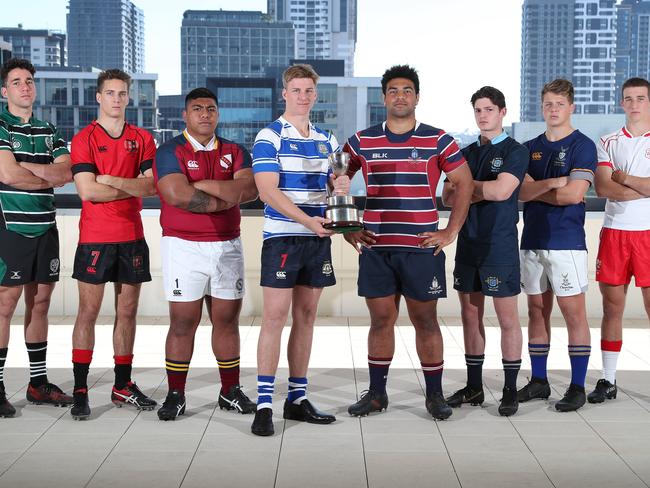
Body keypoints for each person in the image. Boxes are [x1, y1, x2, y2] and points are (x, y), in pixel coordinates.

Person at [344, 65, 473, 420]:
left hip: (420, 247)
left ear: (417, 97)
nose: (400, 96)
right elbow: (336, 176)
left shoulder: (438, 139)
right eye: (393, 91)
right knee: (381, 321)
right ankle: (376, 395)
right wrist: (346, 226)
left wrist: (450, 231)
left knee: (426, 321)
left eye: (407, 90)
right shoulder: (361, 140)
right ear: (384, 97)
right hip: (376, 246)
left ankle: (434, 396)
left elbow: (464, 183)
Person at [250, 64, 349, 436]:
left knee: (307, 317)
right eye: (296, 90)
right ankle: (263, 404)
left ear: (315, 94)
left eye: (309, 90)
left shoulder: (328, 139)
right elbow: (267, 191)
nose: (303, 96)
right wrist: (309, 222)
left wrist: (339, 186)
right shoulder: (269, 135)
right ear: (284, 93)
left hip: (317, 238)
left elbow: (334, 183)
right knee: (274, 317)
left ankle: (296, 399)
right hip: (283, 238)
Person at [154, 87, 258, 421]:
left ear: (218, 114)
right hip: (183, 246)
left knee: (227, 320)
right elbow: (176, 194)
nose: (204, 114)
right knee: (183, 322)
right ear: (185, 115)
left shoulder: (235, 150)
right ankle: (175, 395)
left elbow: (250, 189)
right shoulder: (170, 150)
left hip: (228, 244)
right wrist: (226, 195)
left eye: (211, 108)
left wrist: (200, 185)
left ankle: (229, 392)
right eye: (197, 108)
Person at [69, 69, 158, 420]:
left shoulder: (142, 138)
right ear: (98, 97)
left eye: (122, 93)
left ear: (128, 97)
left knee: (127, 313)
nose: (117, 99)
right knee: (88, 313)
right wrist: (129, 183)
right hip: (95, 237)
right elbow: (87, 190)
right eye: (110, 93)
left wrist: (110, 179)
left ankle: (122, 384)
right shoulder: (84, 139)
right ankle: (80, 390)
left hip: (132, 236)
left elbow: (152, 188)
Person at [443, 86, 528, 416]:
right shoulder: (464, 152)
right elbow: (448, 198)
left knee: (507, 319)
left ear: (502, 112)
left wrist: (467, 188)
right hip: (468, 244)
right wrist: (473, 190)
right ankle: (474, 387)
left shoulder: (514, 151)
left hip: (499, 245)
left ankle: (509, 390)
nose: (483, 115)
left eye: (489, 109)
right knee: (470, 316)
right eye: (478, 110)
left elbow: (502, 190)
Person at [0, 58, 73, 417]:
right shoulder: (0, 124)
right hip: (11, 228)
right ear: (5, 91)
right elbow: (8, 175)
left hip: (46, 227)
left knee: (40, 304)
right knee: (4, 307)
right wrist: (47, 175)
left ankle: (37, 383)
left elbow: (68, 171)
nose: (25, 87)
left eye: (29, 81)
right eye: (16, 82)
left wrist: (32, 170)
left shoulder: (49, 129)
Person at [517, 79, 595, 412]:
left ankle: (577, 387)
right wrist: (551, 186)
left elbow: (574, 194)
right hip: (532, 239)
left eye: (559, 104)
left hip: (566, 242)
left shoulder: (583, 145)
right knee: (536, 310)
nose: (553, 109)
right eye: (548, 104)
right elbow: (518, 192)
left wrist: (537, 188)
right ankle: (538, 381)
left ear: (571, 107)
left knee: (573, 313)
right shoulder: (527, 147)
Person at [590, 77, 650, 404]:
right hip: (615, 233)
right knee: (612, 308)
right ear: (622, 103)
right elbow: (602, 188)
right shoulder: (608, 140)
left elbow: (616, 182)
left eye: (640, 98)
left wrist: (625, 177)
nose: (634, 104)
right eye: (628, 98)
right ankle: (608, 380)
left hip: (648, 234)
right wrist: (642, 187)